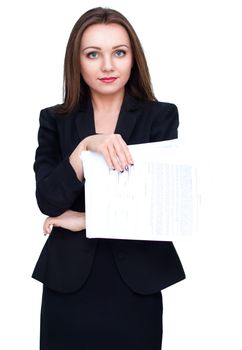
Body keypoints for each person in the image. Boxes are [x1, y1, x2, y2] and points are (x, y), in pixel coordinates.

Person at [32, 6, 185, 350]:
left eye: (119, 52)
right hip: (68, 283)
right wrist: (86, 148)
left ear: (133, 58)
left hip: (136, 281)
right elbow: (49, 200)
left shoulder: (160, 117)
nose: (107, 66)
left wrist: (83, 220)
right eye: (93, 54)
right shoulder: (55, 120)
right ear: (77, 61)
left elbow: (161, 208)